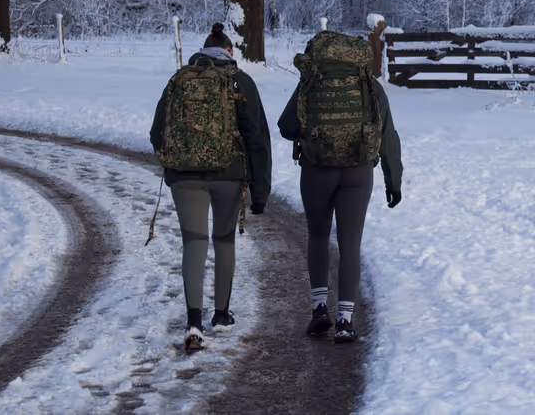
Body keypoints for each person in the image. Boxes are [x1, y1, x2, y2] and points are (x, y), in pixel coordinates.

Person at [150, 23, 272, 352]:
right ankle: (221, 314)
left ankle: (193, 320)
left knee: (193, 241)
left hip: (185, 176)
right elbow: (257, 139)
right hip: (229, 175)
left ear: (201, 51)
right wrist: (260, 189)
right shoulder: (241, 82)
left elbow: (157, 131)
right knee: (223, 239)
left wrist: (175, 160)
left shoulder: (180, 80)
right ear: (230, 53)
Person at [278, 30, 403, 343]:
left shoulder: (311, 84)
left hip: (317, 170)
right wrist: (393, 179)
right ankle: (345, 320)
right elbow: (387, 134)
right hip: (358, 171)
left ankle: (320, 308)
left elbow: (286, 126)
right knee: (350, 245)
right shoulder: (369, 87)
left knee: (319, 236)